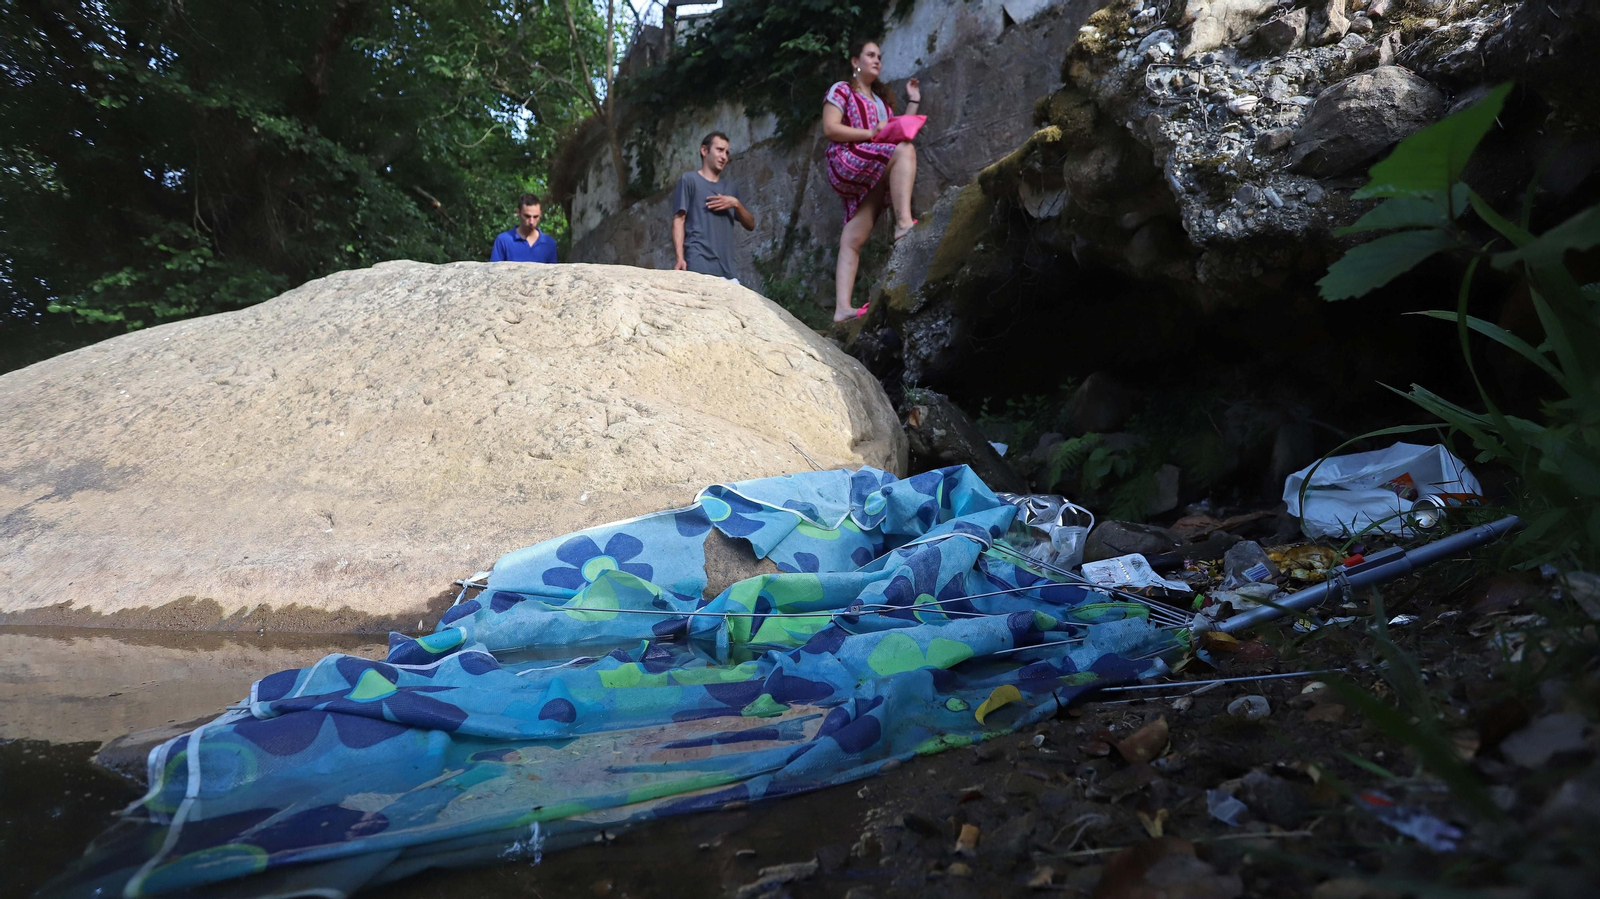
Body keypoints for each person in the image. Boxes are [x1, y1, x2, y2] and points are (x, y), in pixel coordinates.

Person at [823, 39, 921, 322]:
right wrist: (870, 134)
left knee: (853, 237)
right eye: (870, 55)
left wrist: (913, 100)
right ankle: (903, 224)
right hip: (847, 158)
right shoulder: (842, 90)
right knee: (904, 151)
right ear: (856, 61)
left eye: (879, 56)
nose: (877, 60)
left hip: (874, 164)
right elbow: (830, 128)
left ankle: (842, 309)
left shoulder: (881, 103)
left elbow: (896, 133)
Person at [672, 131, 754, 281]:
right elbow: (679, 220)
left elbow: (751, 224)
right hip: (699, 265)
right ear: (704, 151)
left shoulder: (731, 188)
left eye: (727, 152)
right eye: (720, 150)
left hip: (728, 271)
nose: (724, 157)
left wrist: (736, 204)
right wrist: (680, 258)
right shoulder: (689, 180)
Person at [489, 193, 558, 263]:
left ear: (540, 214)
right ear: (518, 212)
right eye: (527, 216)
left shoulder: (549, 243)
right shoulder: (503, 241)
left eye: (535, 217)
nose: (531, 221)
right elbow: (494, 271)